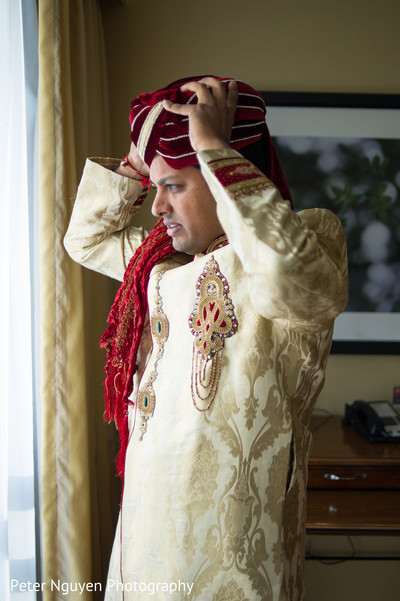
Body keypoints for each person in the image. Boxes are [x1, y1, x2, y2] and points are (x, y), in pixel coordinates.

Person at [64, 76, 348, 601]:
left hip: (231, 568)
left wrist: (212, 146)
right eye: (155, 187)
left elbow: (292, 278)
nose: (156, 207)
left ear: (228, 176)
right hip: (141, 555)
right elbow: (85, 238)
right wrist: (139, 154)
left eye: (173, 185)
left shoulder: (309, 241)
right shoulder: (160, 269)